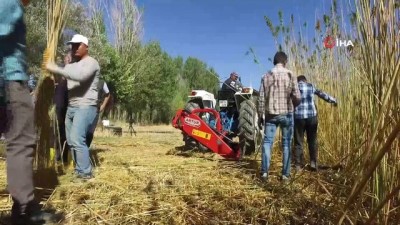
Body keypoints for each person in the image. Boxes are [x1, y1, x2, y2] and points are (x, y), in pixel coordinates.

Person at [0, 0, 57, 224]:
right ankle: (24, 209)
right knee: (22, 141)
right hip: (10, 81)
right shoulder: (9, 4)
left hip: (9, 80)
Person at [46, 34, 100, 181]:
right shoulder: (71, 66)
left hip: (86, 106)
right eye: (73, 45)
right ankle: (79, 170)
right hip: (72, 106)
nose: (74, 48)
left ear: (86, 46)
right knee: (70, 141)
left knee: (77, 138)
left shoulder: (91, 63)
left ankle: (86, 174)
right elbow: (66, 80)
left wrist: (56, 68)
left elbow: (80, 76)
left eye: (78, 45)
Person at [257, 51, 301, 182]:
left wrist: (260, 116)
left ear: (274, 61)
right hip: (286, 114)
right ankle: (285, 175)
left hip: (270, 115)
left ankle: (264, 173)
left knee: (267, 143)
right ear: (285, 61)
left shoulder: (265, 76)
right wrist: (294, 104)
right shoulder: (290, 74)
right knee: (286, 144)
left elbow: (260, 99)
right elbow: (297, 97)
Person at [293, 75, 337, 172]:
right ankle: (313, 163)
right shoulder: (311, 86)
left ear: (298, 81)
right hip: (311, 117)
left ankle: (298, 165)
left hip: (298, 118)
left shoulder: (294, 88)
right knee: (312, 140)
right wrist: (333, 100)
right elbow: (322, 94)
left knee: (298, 142)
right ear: (305, 80)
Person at [54, 52, 71, 162]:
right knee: (58, 132)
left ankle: (65, 157)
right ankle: (57, 156)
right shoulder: (59, 72)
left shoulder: (75, 72)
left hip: (69, 107)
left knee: (66, 133)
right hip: (59, 107)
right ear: (65, 59)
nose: (69, 59)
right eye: (67, 57)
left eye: (71, 58)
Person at [86, 80, 111, 148]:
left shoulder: (102, 83)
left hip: (95, 110)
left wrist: (103, 105)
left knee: (90, 132)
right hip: (83, 110)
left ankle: (86, 150)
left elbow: (108, 94)